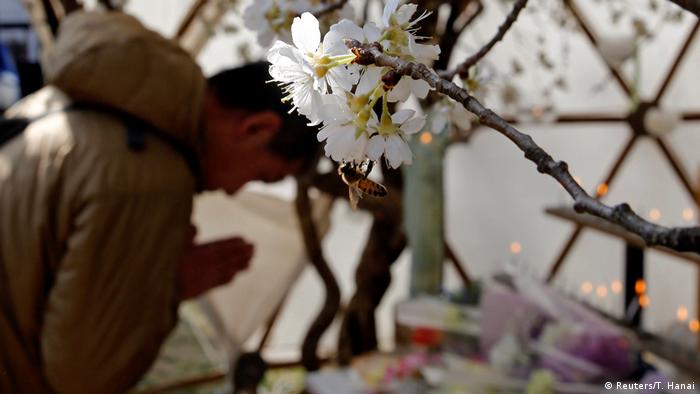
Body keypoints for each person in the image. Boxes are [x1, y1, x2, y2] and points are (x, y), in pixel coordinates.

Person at [0, 10, 317, 394]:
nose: (235, 191)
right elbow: (84, 379)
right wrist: (171, 285)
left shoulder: (87, 105)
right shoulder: (149, 178)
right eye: (262, 176)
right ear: (256, 128)